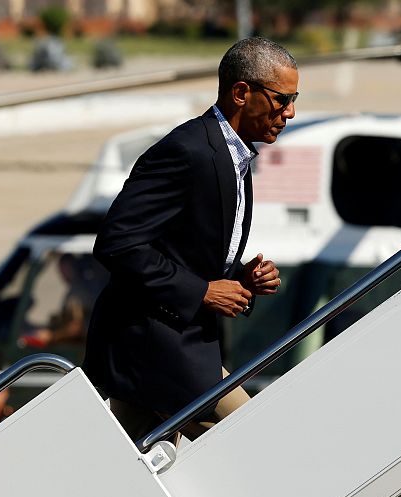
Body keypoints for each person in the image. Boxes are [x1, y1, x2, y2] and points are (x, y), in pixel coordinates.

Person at [84, 37, 297, 443]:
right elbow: (117, 243)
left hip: (180, 348)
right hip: (154, 350)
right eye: (281, 99)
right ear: (241, 93)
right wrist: (202, 291)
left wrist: (240, 279)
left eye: (294, 99)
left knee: (137, 472)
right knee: (255, 441)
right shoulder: (188, 150)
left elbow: (181, 252)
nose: (289, 112)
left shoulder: (233, 156)